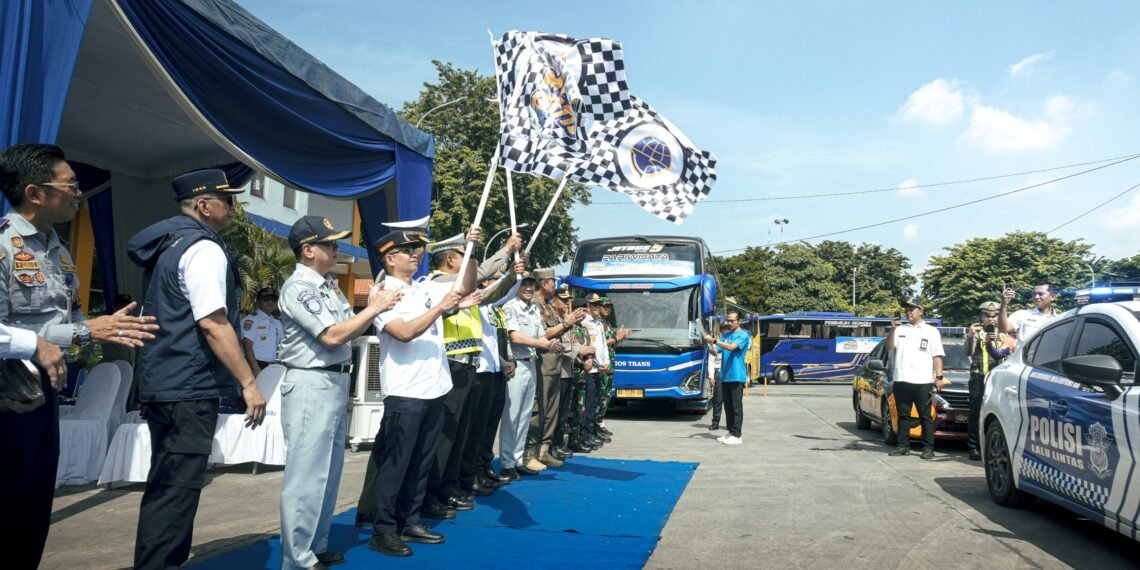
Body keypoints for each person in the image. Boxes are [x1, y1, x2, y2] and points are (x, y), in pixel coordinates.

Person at [0, 143, 158, 568]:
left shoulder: (59, 251)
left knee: (33, 509)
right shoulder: (3, 246)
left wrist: (101, 328)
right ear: (35, 193)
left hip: (45, 394)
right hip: (6, 398)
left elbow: (70, 319)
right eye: (69, 185)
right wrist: (75, 333)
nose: (78, 193)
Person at [128, 168, 267, 569]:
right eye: (228, 201)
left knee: (166, 486)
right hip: (188, 385)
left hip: (165, 381)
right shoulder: (203, 249)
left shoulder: (170, 244)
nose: (233, 208)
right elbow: (213, 323)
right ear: (204, 206)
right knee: (177, 491)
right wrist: (248, 382)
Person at [276, 216, 400, 570]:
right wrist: (374, 308)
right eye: (328, 244)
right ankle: (296, 558)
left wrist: (373, 309)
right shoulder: (299, 288)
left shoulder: (327, 285)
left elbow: (349, 327)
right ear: (307, 250)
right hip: (310, 382)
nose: (335, 249)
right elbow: (332, 335)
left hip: (333, 381)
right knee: (306, 475)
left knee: (328, 473)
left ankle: (315, 545)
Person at [365, 222, 479, 558]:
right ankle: (383, 529)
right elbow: (403, 332)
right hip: (406, 390)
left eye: (415, 250)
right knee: (396, 464)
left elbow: (465, 287)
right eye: (407, 251)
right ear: (389, 259)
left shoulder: (421, 288)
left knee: (421, 462)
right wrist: (439, 309)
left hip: (434, 387)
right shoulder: (383, 292)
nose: (416, 255)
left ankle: (410, 520)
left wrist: (471, 251)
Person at [420, 231, 518, 518]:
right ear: (451, 260)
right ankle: (434, 493)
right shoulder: (438, 283)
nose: (471, 264)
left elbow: (487, 296)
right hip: (452, 365)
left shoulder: (459, 287)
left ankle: (450, 487)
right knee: (447, 437)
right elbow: (479, 279)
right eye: (465, 257)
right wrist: (501, 250)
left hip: (468, 366)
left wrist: (510, 277)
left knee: (460, 435)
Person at [501, 274, 559, 477]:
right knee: (512, 416)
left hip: (531, 363)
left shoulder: (533, 308)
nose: (528, 288)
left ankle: (518, 460)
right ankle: (507, 462)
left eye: (530, 284)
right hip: (516, 365)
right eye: (523, 284)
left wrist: (552, 344)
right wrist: (542, 344)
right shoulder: (511, 306)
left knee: (525, 415)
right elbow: (514, 336)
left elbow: (541, 335)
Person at [884, 299, 944, 460]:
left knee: (925, 416)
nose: (908, 312)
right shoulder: (900, 329)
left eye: (912, 309)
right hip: (902, 378)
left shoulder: (931, 331)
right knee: (903, 415)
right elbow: (889, 347)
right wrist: (892, 330)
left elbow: (937, 356)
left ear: (921, 311)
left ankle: (928, 448)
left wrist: (939, 377)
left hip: (922, 380)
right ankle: (903, 446)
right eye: (907, 310)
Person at [529, 267, 575, 467]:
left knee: (551, 411)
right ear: (543, 283)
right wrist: (565, 324)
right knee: (538, 410)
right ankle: (529, 453)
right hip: (542, 364)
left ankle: (543, 450)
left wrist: (568, 323)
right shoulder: (534, 305)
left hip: (555, 364)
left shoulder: (547, 305)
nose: (555, 285)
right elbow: (544, 334)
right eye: (552, 282)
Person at [963, 301, 1015, 461]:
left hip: (999, 379)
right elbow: (967, 352)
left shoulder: (1006, 333)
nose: (991, 319)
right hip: (979, 378)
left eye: (994, 316)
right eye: (987, 316)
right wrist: (970, 336)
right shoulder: (976, 333)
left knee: (999, 412)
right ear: (982, 317)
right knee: (976, 413)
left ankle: (995, 445)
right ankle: (974, 447)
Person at [549, 285, 590, 458]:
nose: (567, 303)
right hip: (556, 370)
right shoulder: (556, 321)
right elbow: (558, 343)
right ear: (553, 302)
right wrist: (579, 350)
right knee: (555, 412)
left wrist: (581, 356)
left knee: (563, 412)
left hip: (567, 370)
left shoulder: (565, 320)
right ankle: (552, 445)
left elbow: (571, 342)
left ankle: (559, 443)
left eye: (568, 300)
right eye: (563, 300)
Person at [704, 311, 750, 445]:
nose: (729, 323)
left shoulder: (743, 335)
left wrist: (714, 340)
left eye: (732, 320)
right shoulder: (726, 335)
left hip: (737, 375)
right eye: (728, 320)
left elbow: (731, 347)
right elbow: (716, 351)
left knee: (736, 407)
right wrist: (710, 345)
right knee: (728, 407)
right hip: (725, 375)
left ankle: (737, 435)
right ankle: (730, 431)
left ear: (739, 321)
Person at [594, 297, 629, 441]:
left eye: (609, 307)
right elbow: (600, 343)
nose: (607, 309)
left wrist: (619, 337)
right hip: (601, 365)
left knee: (606, 396)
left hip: (609, 364)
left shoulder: (606, 323)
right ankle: (595, 426)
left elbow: (610, 343)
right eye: (604, 306)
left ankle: (599, 423)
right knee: (599, 395)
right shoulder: (597, 323)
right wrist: (617, 338)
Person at [242, 287, 285, 378]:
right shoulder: (251, 320)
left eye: (273, 300)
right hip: (254, 365)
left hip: (271, 366)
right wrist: (255, 368)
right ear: (258, 302)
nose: (270, 302)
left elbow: (282, 344)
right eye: (266, 299)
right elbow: (247, 344)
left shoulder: (277, 323)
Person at [707, 322, 727, 431]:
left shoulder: (732, 343)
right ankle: (715, 422)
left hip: (730, 373)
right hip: (718, 373)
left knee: (730, 402)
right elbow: (711, 360)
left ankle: (730, 424)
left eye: (727, 329)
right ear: (721, 331)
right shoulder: (716, 344)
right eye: (724, 329)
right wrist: (711, 376)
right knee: (718, 400)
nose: (726, 331)